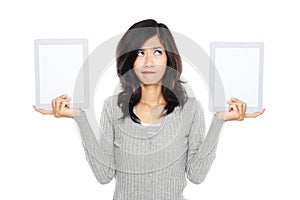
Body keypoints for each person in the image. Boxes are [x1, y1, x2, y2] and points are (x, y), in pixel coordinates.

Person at [33, 19, 265, 200]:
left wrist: (219, 120)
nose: (149, 62)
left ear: (168, 58)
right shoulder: (112, 108)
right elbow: (104, 176)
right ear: (130, 61)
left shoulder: (190, 109)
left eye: (157, 52)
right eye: (140, 53)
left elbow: (196, 175)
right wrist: (79, 117)